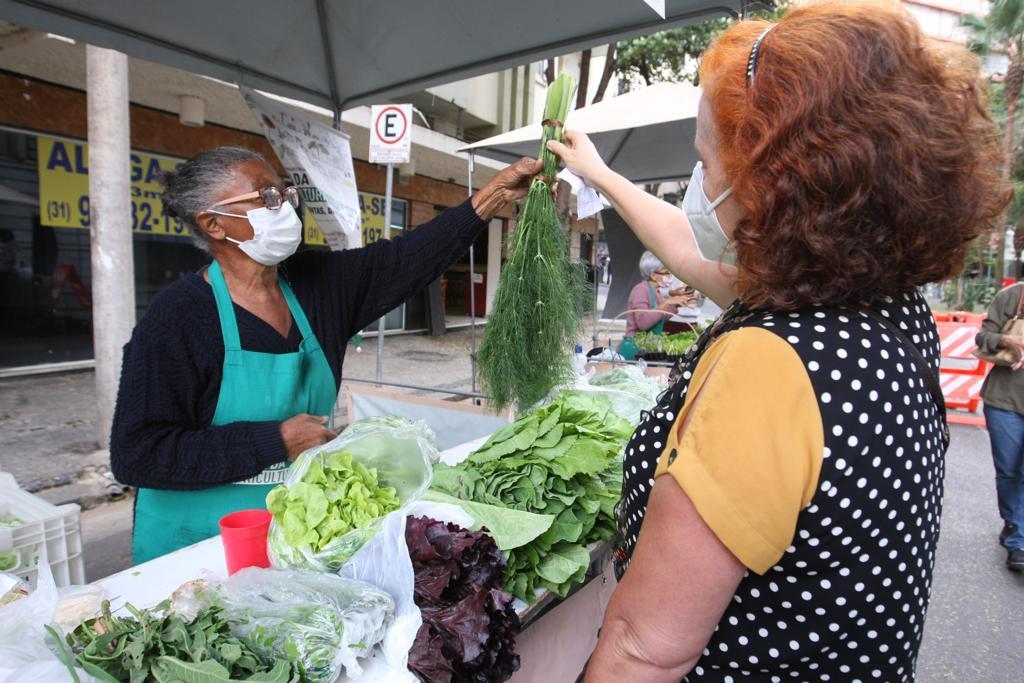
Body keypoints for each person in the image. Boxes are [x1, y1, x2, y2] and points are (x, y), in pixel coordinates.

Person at [549, 2, 1008, 680]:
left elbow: (644, 649)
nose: (698, 188)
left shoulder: (770, 364)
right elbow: (687, 249)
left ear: (774, 183)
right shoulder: (880, 309)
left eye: (707, 164)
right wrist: (602, 176)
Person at [110, 146, 540, 563]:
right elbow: (137, 453)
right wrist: (276, 440)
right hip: (197, 547)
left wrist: (494, 194)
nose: (286, 209)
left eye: (286, 194)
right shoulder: (177, 319)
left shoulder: (314, 283)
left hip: (295, 529)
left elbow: (405, 260)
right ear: (214, 224)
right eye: (267, 197)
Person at [975, 282, 1024, 571]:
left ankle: (1018, 540)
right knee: (1008, 471)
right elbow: (983, 336)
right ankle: (1013, 523)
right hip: (1004, 400)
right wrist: (1008, 342)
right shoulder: (1012, 296)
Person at [618, 251, 693, 359]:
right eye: (666, 273)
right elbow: (643, 323)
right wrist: (666, 302)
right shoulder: (640, 290)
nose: (669, 276)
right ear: (653, 275)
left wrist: (677, 304)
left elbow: (661, 317)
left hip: (647, 348)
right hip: (634, 348)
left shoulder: (656, 292)